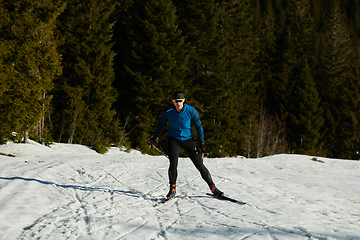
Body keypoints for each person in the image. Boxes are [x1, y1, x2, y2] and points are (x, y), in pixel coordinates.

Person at [147, 91, 224, 200]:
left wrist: (202, 142)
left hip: (188, 140)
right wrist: (154, 138)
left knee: (199, 164)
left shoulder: (191, 111)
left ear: (184, 101)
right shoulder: (168, 111)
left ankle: (213, 188)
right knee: (173, 163)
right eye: (175, 101)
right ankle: (172, 189)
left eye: (180, 101)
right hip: (173, 140)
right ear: (173, 101)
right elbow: (161, 124)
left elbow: (198, 126)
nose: (178, 103)